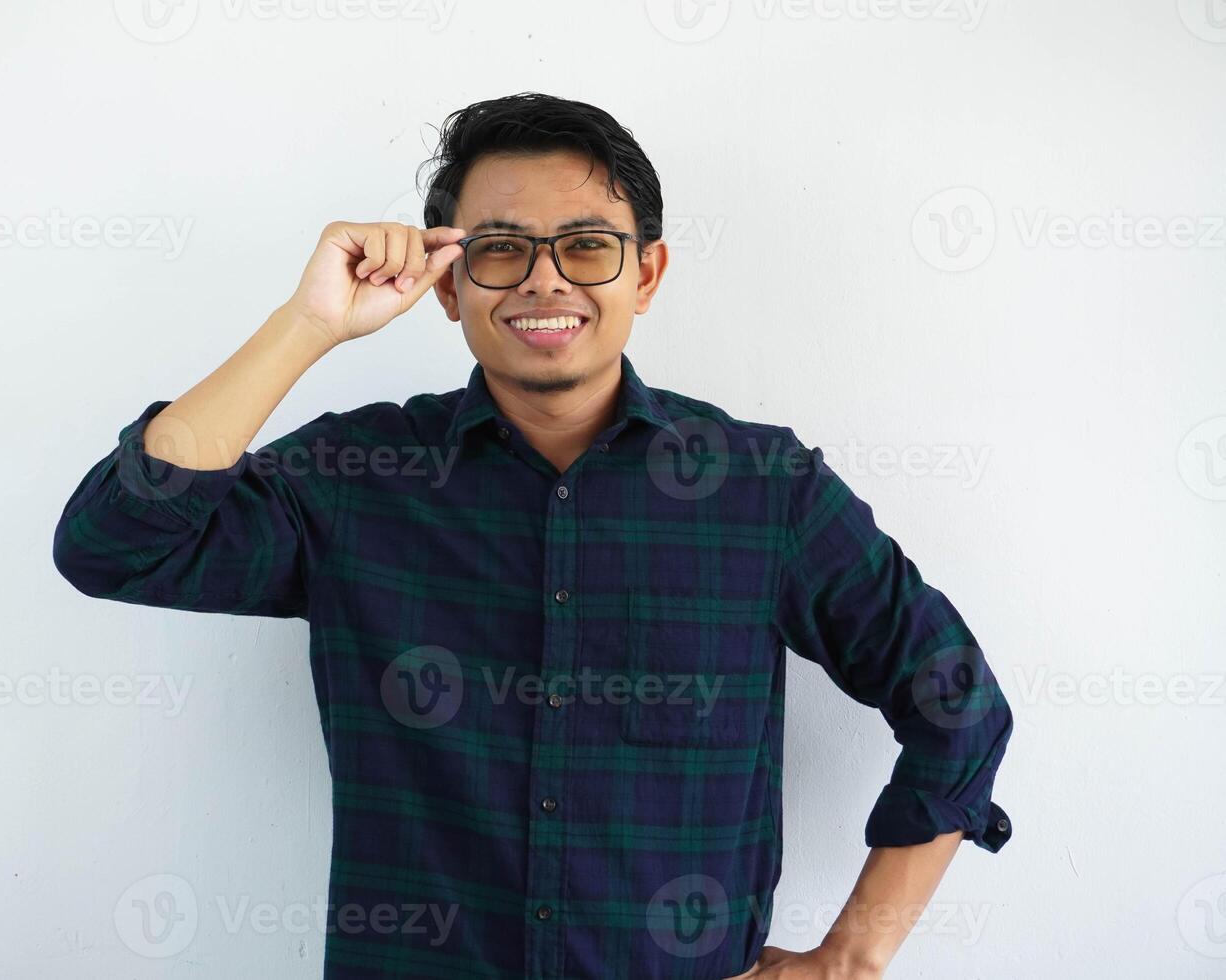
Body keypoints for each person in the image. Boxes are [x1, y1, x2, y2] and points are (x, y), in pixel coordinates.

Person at [52, 91, 1013, 979]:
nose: (543, 279)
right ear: (447, 284)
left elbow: (956, 701)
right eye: (501, 248)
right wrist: (308, 326)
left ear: (647, 272)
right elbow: (114, 542)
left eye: (586, 245)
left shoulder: (764, 490)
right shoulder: (358, 479)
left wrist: (851, 959)